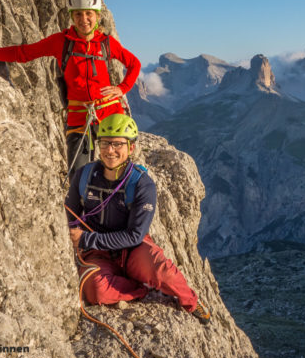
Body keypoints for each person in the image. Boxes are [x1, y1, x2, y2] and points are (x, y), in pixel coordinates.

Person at [0, 0, 141, 180]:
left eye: (89, 14)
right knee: (78, 176)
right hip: (79, 115)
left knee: (118, 170)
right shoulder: (61, 42)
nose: (84, 20)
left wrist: (122, 88)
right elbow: (23, 53)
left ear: (97, 16)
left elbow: (134, 64)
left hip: (109, 112)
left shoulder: (106, 43)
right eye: (78, 14)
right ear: (72, 16)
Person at [64, 113, 211, 324]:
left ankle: (192, 302)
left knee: (164, 272)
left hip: (131, 249)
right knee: (96, 291)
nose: (110, 150)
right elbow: (71, 213)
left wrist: (86, 239)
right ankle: (141, 288)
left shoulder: (142, 184)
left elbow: (135, 235)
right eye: (104, 143)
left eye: (117, 144)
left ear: (130, 148)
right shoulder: (84, 176)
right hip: (99, 253)